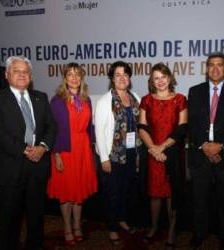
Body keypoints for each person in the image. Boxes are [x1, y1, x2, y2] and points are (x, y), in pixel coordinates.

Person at [188, 52, 224, 250]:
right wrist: (204, 145)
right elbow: (191, 125)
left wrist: (220, 145)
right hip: (200, 154)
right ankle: (199, 233)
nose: (215, 68)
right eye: (211, 65)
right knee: (199, 200)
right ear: (206, 69)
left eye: (219, 65)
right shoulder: (194, 91)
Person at [0, 56, 56, 250]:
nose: (22, 75)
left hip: (38, 167)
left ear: (30, 76)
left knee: (36, 218)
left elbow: (51, 126)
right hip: (11, 169)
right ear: (7, 75)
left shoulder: (41, 97)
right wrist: (24, 149)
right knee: (9, 220)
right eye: (16, 71)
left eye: (26, 72)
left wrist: (43, 147)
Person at [47, 63, 98, 246]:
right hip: (65, 149)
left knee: (79, 190)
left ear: (81, 77)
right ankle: (67, 226)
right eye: (70, 74)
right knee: (66, 191)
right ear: (65, 78)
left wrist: (94, 146)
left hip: (83, 149)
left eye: (77, 74)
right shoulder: (57, 100)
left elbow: (89, 127)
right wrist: (57, 154)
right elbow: (53, 129)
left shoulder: (86, 99)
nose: (74, 78)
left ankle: (77, 224)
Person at [138, 63, 187, 249]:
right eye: (156, 78)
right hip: (152, 153)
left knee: (171, 193)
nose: (160, 81)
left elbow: (182, 128)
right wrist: (153, 148)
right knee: (154, 193)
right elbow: (141, 127)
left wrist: (162, 147)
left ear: (170, 78)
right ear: (152, 81)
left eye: (163, 77)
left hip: (172, 153)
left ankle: (172, 229)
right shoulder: (146, 100)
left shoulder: (181, 99)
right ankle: (154, 226)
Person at [95, 61, 141, 245]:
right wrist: (104, 159)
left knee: (126, 190)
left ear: (129, 78)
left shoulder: (135, 97)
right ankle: (112, 227)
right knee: (112, 192)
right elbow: (99, 131)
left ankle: (121, 218)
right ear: (112, 79)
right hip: (113, 156)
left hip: (131, 154)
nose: (122, 78)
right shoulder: (104, 101)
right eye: (118, 75)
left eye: (125, 75)